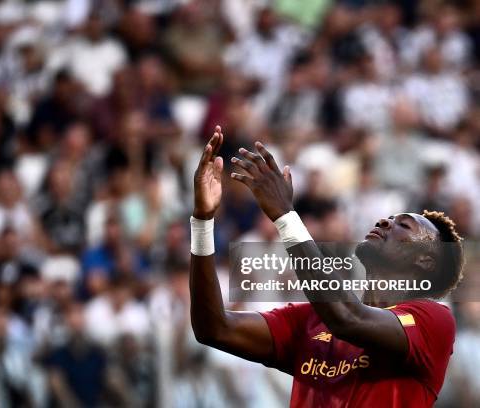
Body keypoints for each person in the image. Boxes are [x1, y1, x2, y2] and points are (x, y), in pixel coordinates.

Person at [189, 126, 464, 407]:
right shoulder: (312, 320)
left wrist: (286, 216)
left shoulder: (434, 322)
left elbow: (348, 318)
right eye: (389, 218)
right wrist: (202, 221)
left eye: (403, 225)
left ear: (425, 260)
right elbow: (213, 328)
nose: (385, 221)